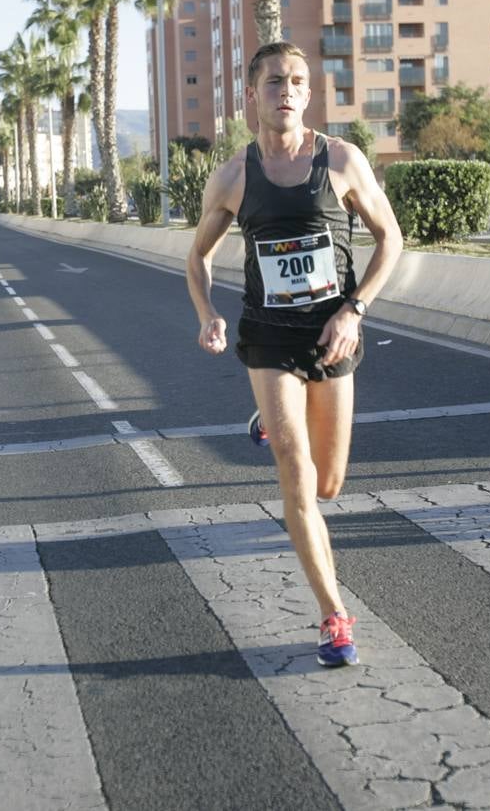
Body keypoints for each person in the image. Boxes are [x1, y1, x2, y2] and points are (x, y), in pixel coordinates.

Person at [186, 42, 403, 668]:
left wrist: (353, 309)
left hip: (333, 334)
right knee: (295, 470)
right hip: (269, 339)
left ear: (309, 95)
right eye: (275, 80)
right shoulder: (233, 176)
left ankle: (270, 419)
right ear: (251, 95)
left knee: (329, 484)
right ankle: (335, 617)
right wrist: (207, 314)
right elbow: (197, 257)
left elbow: (390, 240)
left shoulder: (342, 160)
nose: (287, 90)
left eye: (298, 81)